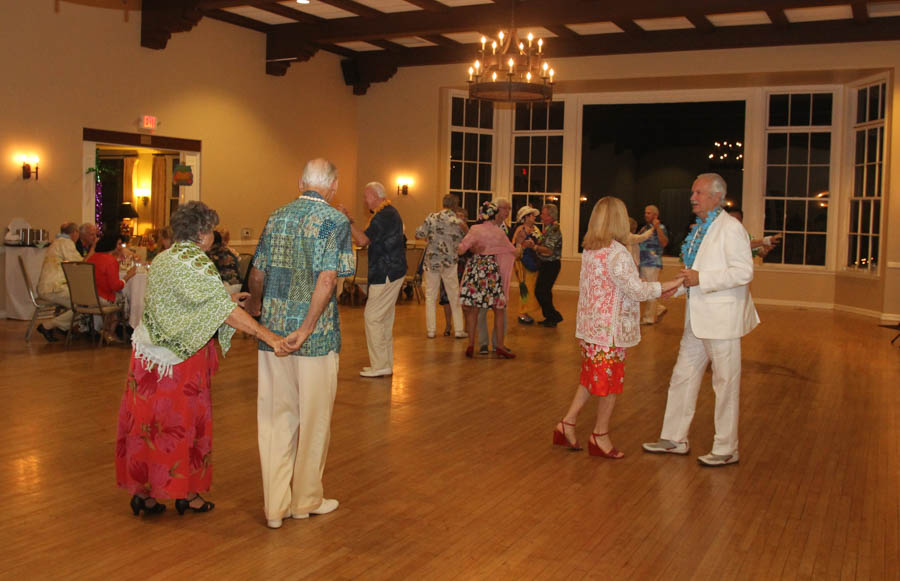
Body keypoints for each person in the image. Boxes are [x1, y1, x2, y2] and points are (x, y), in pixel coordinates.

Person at [115, 201, 282, 517]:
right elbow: (226, 313)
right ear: (203, 233)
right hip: (180, 361)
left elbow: (182, 301)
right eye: (211, 230)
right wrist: (268, 336)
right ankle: (186, 493)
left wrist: (225, 299)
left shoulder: (164, 258)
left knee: (148, 424)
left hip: (147, 356)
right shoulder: (197, 262)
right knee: (181, 426)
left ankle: (145, 493)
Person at [246, 158, 354, 529]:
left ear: (300, 182)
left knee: (275, 419)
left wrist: (257, 308)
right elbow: (327, 280)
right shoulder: (335, 221)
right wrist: (307, 328)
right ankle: (306, 500)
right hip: (316, 339)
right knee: (314, 420)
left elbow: (257, 272)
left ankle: (275, 508)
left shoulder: (276, 217)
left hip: (274, 334)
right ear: (333, 186)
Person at [642, 173, 760, 467]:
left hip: (722, 320)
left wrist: (701, 279)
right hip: (697, 319)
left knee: (725, 384)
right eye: (693, 192)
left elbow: (743, 272)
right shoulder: (700, 230)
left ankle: (727, 448)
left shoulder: (731, 228)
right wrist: (678, 288)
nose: (692, 198)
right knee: (682, 376)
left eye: (698, 193)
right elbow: (695, 273)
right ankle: (674, 438)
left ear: (716, 197)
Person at [554, 197, 683, 458]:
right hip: (609, 331)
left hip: (591, 328)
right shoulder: (617, 253)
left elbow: (614, 287)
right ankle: (599, 435)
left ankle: (567, 424)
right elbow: (636, 290)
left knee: (590, 379)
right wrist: (668, 285)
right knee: (609, 384)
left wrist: (659, 288)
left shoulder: (591, 249)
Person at [344, 181, 407, 378]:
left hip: (386, 271)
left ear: (376, 196)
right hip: (392, 270)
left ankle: (380, 365)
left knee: (372, 317)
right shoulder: (387, 214)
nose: (365, 200)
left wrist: (347, 222)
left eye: (366, 196)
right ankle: (384, 364)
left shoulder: (384, 215)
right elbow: (365, 238)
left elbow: (363, 240)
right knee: (384, 319)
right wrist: (351, 222)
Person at [457, 200, 521, 359]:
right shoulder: (499, 233)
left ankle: (471, 344)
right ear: (494, 214)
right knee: (499, 309)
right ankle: (499, 346)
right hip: (491, 271)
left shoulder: (474, 229)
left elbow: (460, 250)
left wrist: (469, 246)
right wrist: (520, 244)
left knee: (473, 309)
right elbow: (514, 252)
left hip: (475, 269)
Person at [415, 193, 468, 339]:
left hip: (432, 261)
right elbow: (467, 239)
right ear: (455, 206)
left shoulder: (431, 217)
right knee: (454, 295)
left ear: (443, 204)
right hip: (450, 262)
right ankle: (459, 330)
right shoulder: (458, 221)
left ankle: (431, 330)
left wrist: (430, 236)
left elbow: (418, 234)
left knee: (430, 295)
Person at [35, 222, 84, 341]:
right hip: (54, 288)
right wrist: (92, 251)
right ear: (75, 232)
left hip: (47, 286)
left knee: (82, 302)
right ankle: (49, 326)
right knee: (84, 303)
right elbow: (79, 264)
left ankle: (63, 328)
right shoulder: (66, 243)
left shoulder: (56, 242)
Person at [85, 230, 137, 344]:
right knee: (123, 299)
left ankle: (105, 330)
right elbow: (116, 286)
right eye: (119, 244)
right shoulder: (110, 260)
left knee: (117, 297)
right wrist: (128, 276)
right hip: (102, 298)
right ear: (112, 244)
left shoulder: (92, 258)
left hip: (89, 296)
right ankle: (110, 332)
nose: (120, 247)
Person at [638, 205, 669, 325]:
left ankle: (649, 318)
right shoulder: (645, 228)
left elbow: (664, 243)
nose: (646, 215)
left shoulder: (661, 228)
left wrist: (657, 228)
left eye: (649, 213)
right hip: (642, 262)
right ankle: (659, 308)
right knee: (644, 290)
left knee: (650, 290)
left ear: (656, 215)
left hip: (652, 262)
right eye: (645, 213)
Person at [532, 204, 563, 327]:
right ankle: (550, 318)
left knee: (541, 291)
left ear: (550, 216)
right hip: (546, 264)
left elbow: (549, 251)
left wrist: (534, 247)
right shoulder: (548, 228)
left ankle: (554, 316)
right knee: (544, 292)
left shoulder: (554, 230)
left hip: (551, 264)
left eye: (543, 214)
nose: (541, 216)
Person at [512, 206, 542, 325]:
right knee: (525, 287)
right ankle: (522, 312)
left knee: (532, 287)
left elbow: (540, 242)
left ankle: (526, 310)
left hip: (534, 261)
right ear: (525, 217)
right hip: (523, 262)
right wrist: (525, 244)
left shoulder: (536, 229)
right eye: (532, 215)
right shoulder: (520, 229)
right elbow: (514, 245)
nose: (534, 217)